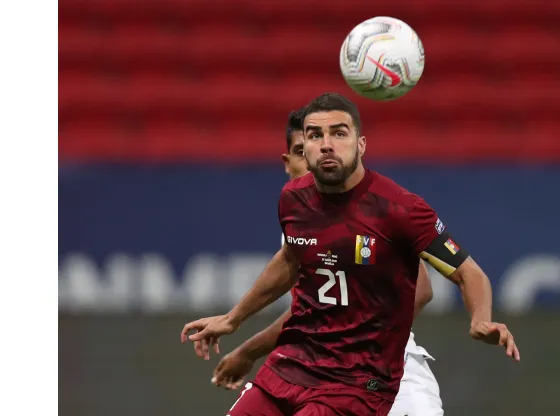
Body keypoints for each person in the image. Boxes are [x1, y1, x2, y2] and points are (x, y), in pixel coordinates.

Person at [181, 93, 520, 415]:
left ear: (361, 144)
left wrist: (480, 318)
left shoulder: (399, 210)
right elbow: (289, 258)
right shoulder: (293, 198)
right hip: (290, 365)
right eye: (314, 135)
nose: (326, 143)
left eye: (338, 133)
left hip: (355, 382)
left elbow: (467, 272)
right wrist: (232, 318)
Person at [209, 109, 444, 415]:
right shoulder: (298, 219)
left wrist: (364, 339)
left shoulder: (370, 213)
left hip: (392, 380)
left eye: (330, 141)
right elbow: (312, 316)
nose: (317, 155)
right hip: (323, 379)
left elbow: (422, 288)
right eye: (303, 149)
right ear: (290, 161)